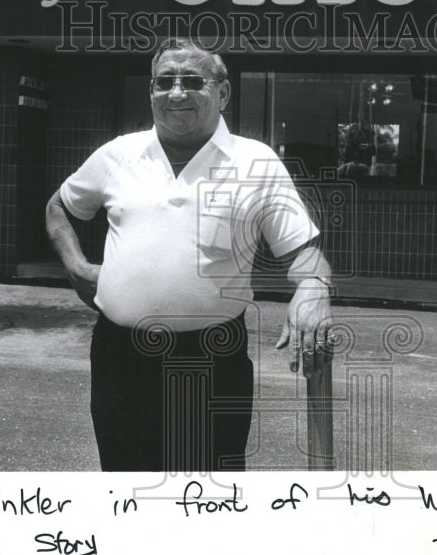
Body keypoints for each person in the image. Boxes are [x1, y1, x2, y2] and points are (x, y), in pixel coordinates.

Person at [46, 38, 334, 472]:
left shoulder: (256, 162)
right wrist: (76, 267)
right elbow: (60, 207)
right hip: (119, 359)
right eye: (164, 82)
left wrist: (313, 287)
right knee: (124, 484)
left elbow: (303, 248)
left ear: (223, 92)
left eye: (192, 81)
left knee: (209, 492)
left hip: (212, 360)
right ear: (151, 92)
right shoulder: (118, 153)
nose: (176, 92)